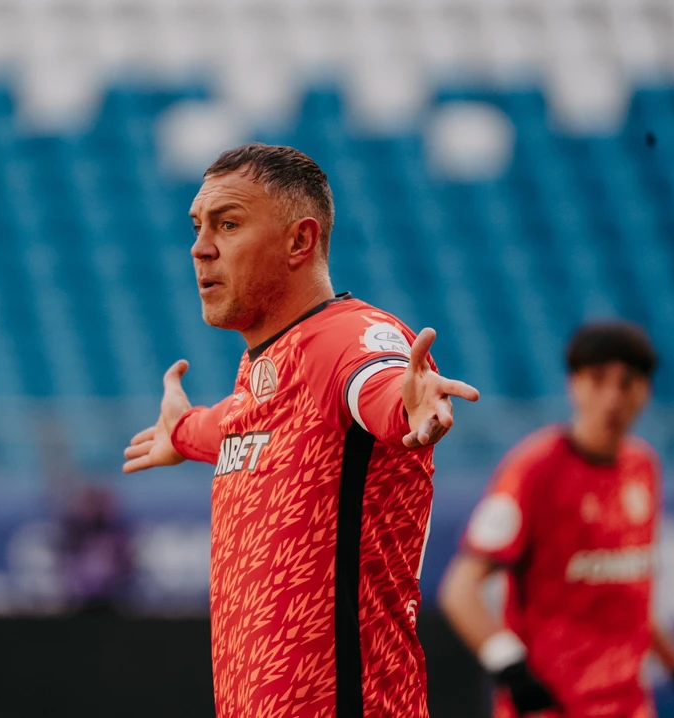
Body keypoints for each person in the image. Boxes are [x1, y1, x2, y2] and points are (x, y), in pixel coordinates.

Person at [122, 143, 479, 717]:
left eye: (227, 224)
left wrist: (407, 404)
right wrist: (180, 431)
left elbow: (378, 385)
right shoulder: (265, 376)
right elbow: (230, 425)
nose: (200, 247)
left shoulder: (348, 336)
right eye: (197, 226)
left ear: (299, 241)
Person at [438, 322, 674, 718]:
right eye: (597, 379)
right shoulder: (534, 470)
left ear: (645, 390)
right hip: (553, 707)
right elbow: (460, 590)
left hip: (629, 706)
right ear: (573, 384)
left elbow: (630, 594)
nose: (613, 397)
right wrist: (511, 668)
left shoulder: (642, 467)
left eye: (627, 383)